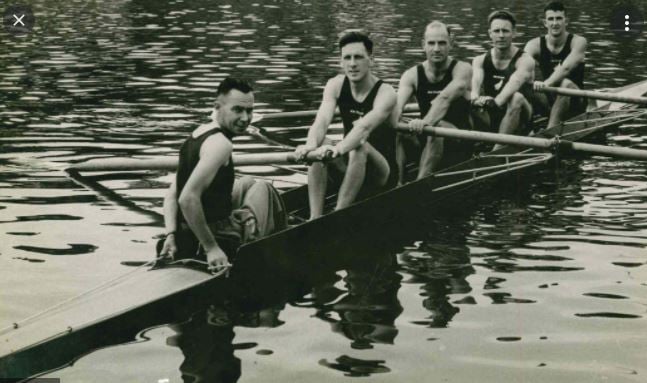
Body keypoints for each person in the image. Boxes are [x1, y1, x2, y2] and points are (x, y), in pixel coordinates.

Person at [159, 77, 287, 273]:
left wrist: (171, 234)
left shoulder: (196, 134)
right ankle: (275, 244)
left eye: (250, 110)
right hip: (217, 234)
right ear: (217, 106)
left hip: (184, 231)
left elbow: (171, 195)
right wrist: (211, 249)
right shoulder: (221, 144)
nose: (245, 118)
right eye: (238, 110)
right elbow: (186, 199)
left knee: (247, 182)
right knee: (265, 188)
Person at [294, 31, 397, 219]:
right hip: (351, 163)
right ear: (341, 62)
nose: (352, 64)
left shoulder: (386, 92)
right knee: (320, 142)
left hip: (382, 173)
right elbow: (322, 121)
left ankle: (338, 216)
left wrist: (339, 149)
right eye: (347, 58)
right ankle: (314, 218)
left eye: (358, 57)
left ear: (370, 60)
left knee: (360, 145)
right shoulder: (335, 85)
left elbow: (362, 129)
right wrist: (310, 146)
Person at [394, 21, 472, 183]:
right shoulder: (411, 75)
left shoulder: (462, 69)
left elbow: (443, 100)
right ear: (423, 45)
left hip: (459, 140)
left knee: (438, 125)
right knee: (398, 128)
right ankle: (398, 183)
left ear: (451, 43)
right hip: (427, 134)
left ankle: (418, 185)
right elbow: (396, 107)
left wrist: (424, 123)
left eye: (442, 43)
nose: (436, 49)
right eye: (431, 43)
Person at [471, 10, 535, 148]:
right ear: (490, 34)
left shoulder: (525, 60)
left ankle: (497, 151)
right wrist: (475, 98)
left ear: (514, 33)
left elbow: (515, 81)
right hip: (494, 114)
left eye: (505, 31)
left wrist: (495, 102)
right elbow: (475, 83)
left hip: (522, 116)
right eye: (496, 31)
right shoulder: (479, 60)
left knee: (516, 97)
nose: (501, 35)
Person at [524, 1, 587, 129]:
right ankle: (523, 128)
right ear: (545, 22)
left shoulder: (578, 42)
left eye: (559, 18)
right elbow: (522, 67)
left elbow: (566, 68)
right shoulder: (533, 45)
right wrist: (530, 80)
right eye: (550, 19)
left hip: (576, 102)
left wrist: (546, 83)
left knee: (565, 84)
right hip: (550, 100)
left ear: (566, 21)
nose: (555, 23)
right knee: (522, 84)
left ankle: (550, 131)